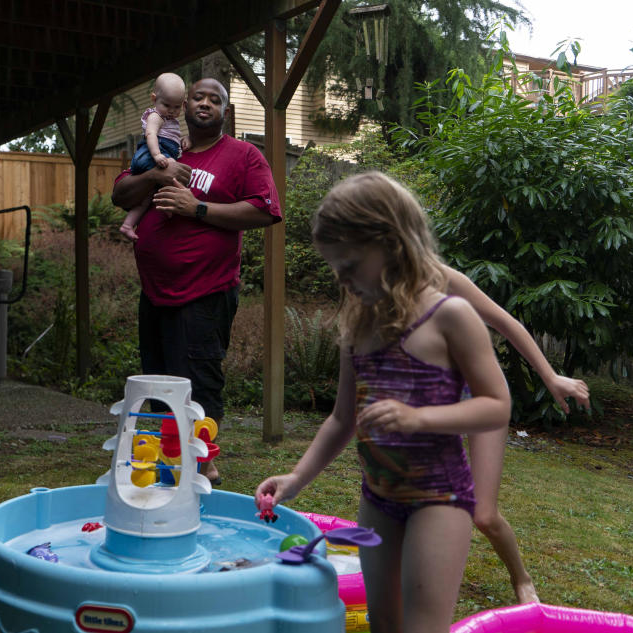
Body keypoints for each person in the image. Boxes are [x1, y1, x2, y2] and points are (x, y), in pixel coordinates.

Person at [255, 171, 511, 633]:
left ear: (390, 242)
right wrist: (297, 476)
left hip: (440, 498)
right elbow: (341, 419)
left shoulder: (449, 316)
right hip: (378, 497)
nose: (343, 279)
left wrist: (419, 418)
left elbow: (496, 406)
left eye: (350, 266)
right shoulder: (358, 329)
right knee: (383, 625)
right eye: (336, 269)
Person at [111, 77, 281, 485]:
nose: (206, 103)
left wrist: (198, 208)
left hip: (206, 290)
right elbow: (120, 194)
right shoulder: (165, 147)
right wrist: (154, 176)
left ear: (226, 111)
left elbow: (265, 210)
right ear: (184, 105)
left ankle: (204, 462)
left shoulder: (243, 156)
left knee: (200, 378)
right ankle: (162, 455)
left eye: (215, 99)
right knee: (156, 376)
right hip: (155, 291)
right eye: (199, 97)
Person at [443, 267, 590, 603]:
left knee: (485, 515)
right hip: (434, 400)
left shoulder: (439, 276)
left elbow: (506, 322)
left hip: (483, 393)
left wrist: (551, 377)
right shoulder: (372, 282)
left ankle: (521, 579)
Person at [119, 72, 191, 241]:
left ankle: (127, 225)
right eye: (167, 105)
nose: (172, 111)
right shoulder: (155, 116)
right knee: (173, 169)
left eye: (177, 107)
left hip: (158, 155)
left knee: (146, 199)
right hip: (148, 156)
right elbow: (151, 135)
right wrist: (157, 155)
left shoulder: (170, 119)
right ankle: (168, 206)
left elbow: (171, 139)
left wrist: (182, 142)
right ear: (154, 99)